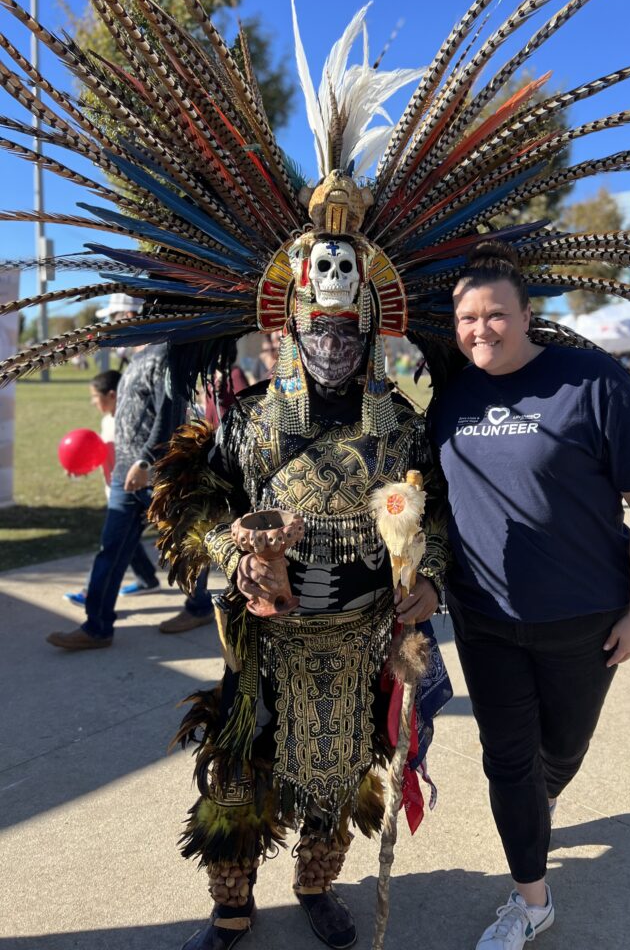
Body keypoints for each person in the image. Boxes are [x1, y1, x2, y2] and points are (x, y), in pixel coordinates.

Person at [150, 199, 451, 950]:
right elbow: (194, 497)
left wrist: (431, 580)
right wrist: (235, 551)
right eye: (318, 326)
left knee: (343, 773)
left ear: (373, 329)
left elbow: (439, 516)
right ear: (288, 327)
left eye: (348, 329)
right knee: (238, 773)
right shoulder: (251, 422)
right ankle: (231, 906)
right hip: (265, 647)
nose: (333, 341)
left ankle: (316, 885)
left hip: (356, 646)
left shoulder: (403, 428)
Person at [430, 244, 630, 950]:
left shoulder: (593, 382)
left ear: (527, 314)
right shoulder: (451, 395)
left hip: (584, 618)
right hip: (484, 619)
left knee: (559, 752)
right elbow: (433, 502)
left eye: (496, 314)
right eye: (467, 317)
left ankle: (543, 798)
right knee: (507, 758)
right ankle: (530, 899)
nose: (481, 329)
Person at [47, 297, 214, 650]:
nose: (112, 325)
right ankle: (97, 627)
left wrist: (144, 463)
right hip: (129, 475)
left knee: (185, 544)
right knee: (111, 549)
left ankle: (199, 606)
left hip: (156, 474)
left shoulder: (165, 354)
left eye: (115, 318)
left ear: (132, 316)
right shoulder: (137, 357)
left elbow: (169, 413)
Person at [63, 368, 161, 607]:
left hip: (142, 492)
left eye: (95, 396)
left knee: (113, 546)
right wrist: (80, 468)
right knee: (125, 541)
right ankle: (147, 579)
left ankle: (90, 594)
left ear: (112, 395)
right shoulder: (106, 421)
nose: (93, 402)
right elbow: (101, 455)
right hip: (118, 492)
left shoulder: (133, 421)